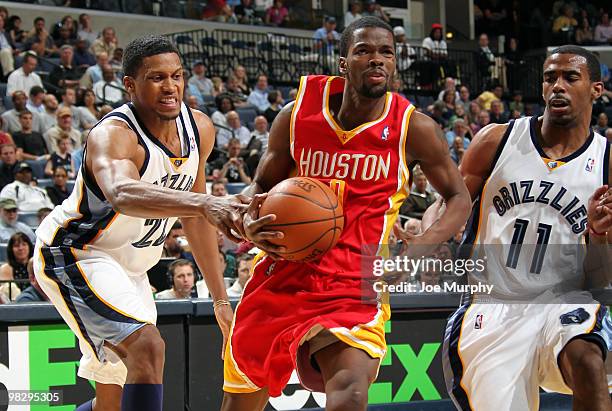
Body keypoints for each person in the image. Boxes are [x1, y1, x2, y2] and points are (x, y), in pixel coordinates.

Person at [220, 17, 470, 410]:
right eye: (364, 51)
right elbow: (259, 188)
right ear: (343, 63)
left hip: (356, 278)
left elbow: (459, 197)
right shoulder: (296, 114)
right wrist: (248, 218)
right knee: (240, 404)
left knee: (350, 392)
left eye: (386, 52)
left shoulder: (413, 128)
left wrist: (420, 247)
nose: (377, 60)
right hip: (283, 270)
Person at [33, 35, 246, 411]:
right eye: (157, 77)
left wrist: (218, 298)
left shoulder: (199, 129)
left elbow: (196, 218)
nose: (170, 86)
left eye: (177, 76)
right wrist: (205, 202)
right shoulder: (114, 134)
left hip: (131, 270)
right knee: (147, 348)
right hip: (78, 253)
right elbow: (122, 193)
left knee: (112, 400)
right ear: (130, 85)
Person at [442, 45, 612, 411]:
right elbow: (448, 207)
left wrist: (598, 237)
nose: (557, 87)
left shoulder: (607, 163)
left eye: (570, 77)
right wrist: (424, 238)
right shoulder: (496, 140)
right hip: (493, 305)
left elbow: (601, 278)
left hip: (563, 302)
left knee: (587, 360)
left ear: (597, 89)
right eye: (550, 78)